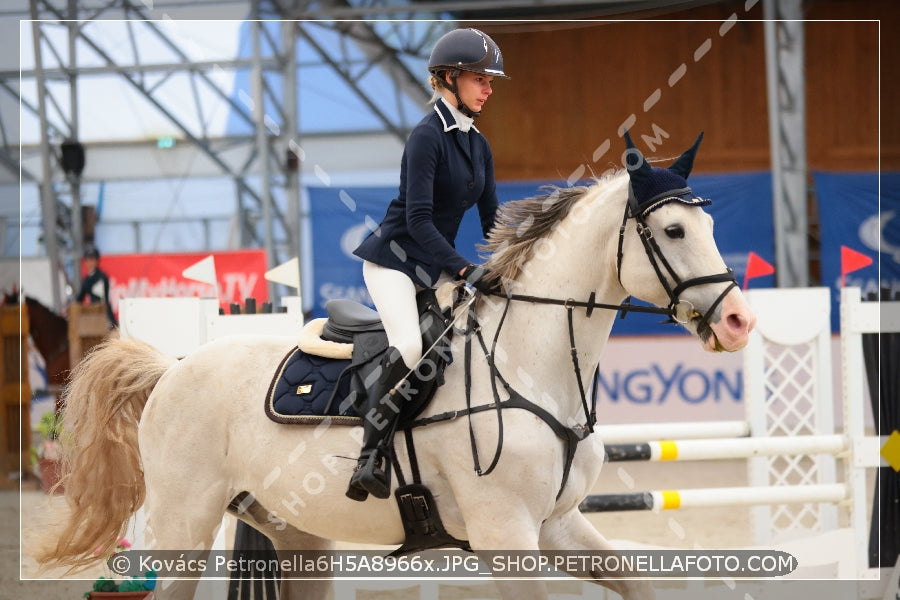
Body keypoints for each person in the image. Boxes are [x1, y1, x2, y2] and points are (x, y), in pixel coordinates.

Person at [346, 28, 508, 501]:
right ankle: (368, 459)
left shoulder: (477, 144)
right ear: (449, 78)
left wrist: (507, 263)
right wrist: (462, 269)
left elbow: (493, 218)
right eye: (481, 79)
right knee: (411, 347)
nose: (489, 89)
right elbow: (417, 220)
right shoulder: (426, 137)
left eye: (491, 81)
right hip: (395, 262)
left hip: (435, 265)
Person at [76, 246, 117, 327]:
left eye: (92, 260)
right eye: (88, 260)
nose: (90, 263)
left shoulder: (101, 277)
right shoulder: (86, 279)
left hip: (102, 313)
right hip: (91, 314)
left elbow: (103, 300)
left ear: (97, 261)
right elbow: (80, 298)